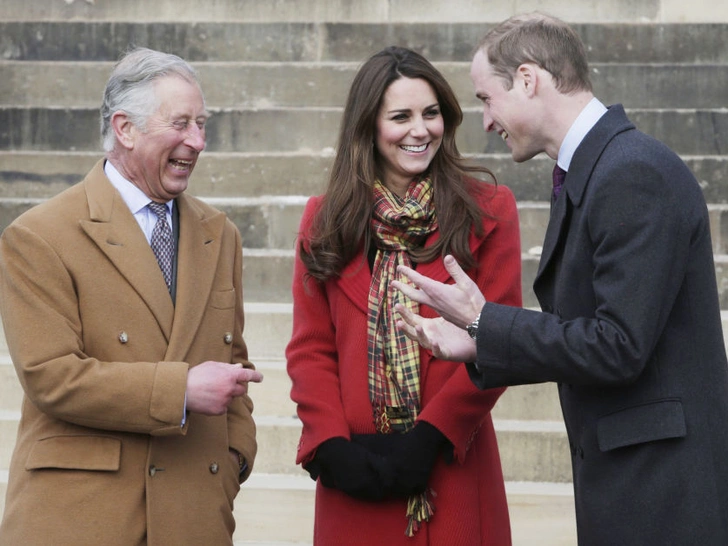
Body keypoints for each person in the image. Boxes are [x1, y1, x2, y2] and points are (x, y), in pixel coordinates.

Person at [392, 12, 728, 546]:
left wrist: (484, 321)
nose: (484, 121)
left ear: (528, 80)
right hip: (632, 482)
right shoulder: (599, 168)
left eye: (485, 98)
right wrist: (481, 342)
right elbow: (591, 335)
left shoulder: (630, 172)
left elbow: (618, 345)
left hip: (661, 495)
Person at [0, 47, 264, 546]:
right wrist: (179, 391)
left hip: (194, 515)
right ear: (125, 128)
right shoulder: (39, 234)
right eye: (182, 123)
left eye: (202, 124)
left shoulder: (220, 233)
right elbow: (51, 377)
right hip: (85, 518)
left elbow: (233, 364)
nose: (198, 141)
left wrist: (234, 461)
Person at [285, 46, 521, 545]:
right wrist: (330, 446)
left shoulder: (490, 210)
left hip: (451, 465)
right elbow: (310, 349)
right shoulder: (323, 220)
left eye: (431, 113)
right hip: (355, 475)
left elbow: (501, 340)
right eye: (401, 116)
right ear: (368, 125)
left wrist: (431, 437)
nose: (421, 130)